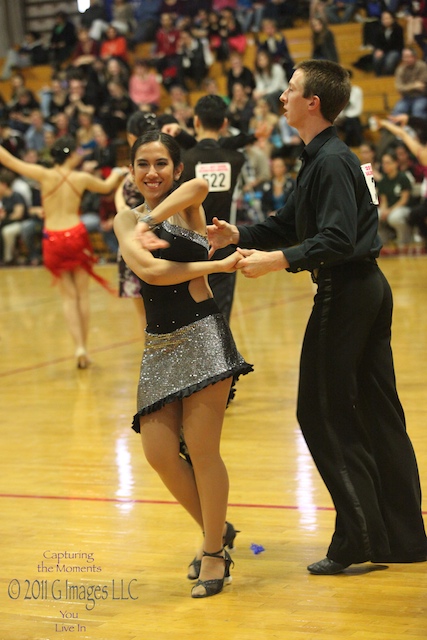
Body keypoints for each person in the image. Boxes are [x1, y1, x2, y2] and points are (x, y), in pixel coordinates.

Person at [207, 59, 427, 574]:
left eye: (290, 90)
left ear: (314, 103)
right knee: (377, 411)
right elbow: (290, 222)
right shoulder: (325, 157)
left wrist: (276, 260)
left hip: (346, 293)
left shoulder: (330, 161)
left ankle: (357, 538)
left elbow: (335, 240)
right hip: (366, 289)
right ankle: (404, 537)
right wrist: (241, 236)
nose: (281, 97)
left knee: (321, 412)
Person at [113, 130, 252, 598]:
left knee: (202, 448)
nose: (151, 172)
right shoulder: (123, 220)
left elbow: (198, 188)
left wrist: (151, 218)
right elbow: (152, 272)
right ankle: (218, 531)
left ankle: (213, 551)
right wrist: (214, 267)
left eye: (160, 164)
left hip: (204, 336)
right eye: (142, 165)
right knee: (157, 453)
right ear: (131, 171)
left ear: (174, 168)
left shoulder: (183, 204)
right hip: (159, 345)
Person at [0, 136, 126, 368]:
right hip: (75, 235)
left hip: (53, 239)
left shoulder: (44, 174)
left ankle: (77, 346)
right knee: (82, 296)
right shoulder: (81, 178)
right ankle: (85, 349)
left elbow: (7, 159)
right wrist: (118, 172)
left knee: (68, 298)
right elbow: (108, 187)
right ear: (70, 155)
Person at [180, 95, 245, 323]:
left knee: (189, 318)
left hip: (187, 246)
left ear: (196, 121)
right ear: (225, 124)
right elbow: (229, 146)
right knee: (220, 317)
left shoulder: (183, 160)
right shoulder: (235, 160)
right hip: (223, 242)